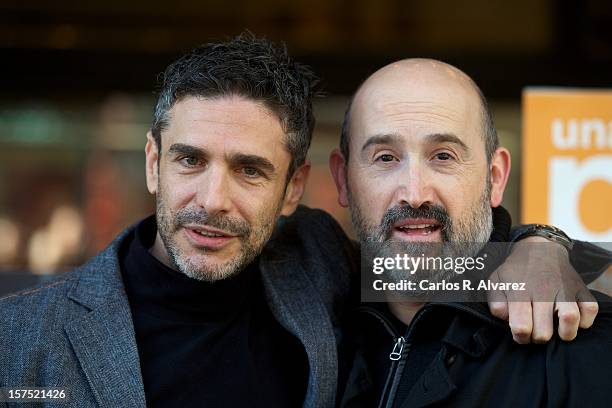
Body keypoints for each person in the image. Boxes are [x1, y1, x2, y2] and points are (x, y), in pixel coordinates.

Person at [0, 34, 603, 408]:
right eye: (190, 160)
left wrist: (544, 245)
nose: (213, 199)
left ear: (296, 187)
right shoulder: (18, 336)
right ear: (154, 162)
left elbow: (461, 273)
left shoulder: (319, 268)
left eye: (250, 170)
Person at [330, 58, 611, 407]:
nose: (415, 193)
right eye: (385, 158)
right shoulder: (308, 331)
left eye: (443, 156)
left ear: (495, 178)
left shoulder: (583, 344)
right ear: (343, 179)